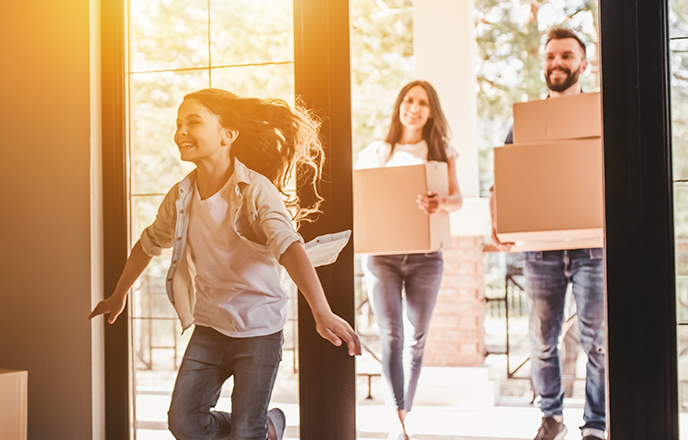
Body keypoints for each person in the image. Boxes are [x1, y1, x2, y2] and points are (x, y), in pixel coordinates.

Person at [88, 88, 361, 440]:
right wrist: (118, 294)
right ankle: (265, 429)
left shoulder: (256, 191)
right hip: (210, 325)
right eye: (179, 123)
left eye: (194, 122)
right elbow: (149, 242)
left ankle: (261, 427)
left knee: (246, 432)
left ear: (227, 135)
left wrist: (321, 312)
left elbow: (289, 247)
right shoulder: (181, 196)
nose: (181, 131)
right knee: (184, 423)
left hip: (259, 329)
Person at [490, 27, 607, 440]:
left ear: (583, 64)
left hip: (592, 245)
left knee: (597, 341)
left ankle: (595, 424)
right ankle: (551, 417)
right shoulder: (524, 122)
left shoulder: (601, 116)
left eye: (567, 56)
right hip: (541, 251)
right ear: (544, 63)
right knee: (542, 339)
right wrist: (498, 225)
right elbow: (502, 180)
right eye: (551, 56)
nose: (558, 63)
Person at [355, 80, 463, 440]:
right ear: (399, 105)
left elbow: (457, 199)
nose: (413, 107)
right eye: (408, 100)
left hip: (426, 258)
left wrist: (440, 203)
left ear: (431, 111)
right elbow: (363, 198)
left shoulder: (440, 151)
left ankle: (404, 412)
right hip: (382, 258)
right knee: (392, 336)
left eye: (422, 102)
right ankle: (395, 418)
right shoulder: (377, 152)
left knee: (416, 339)